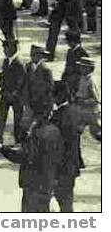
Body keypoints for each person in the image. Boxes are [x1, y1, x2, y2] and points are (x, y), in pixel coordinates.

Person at [0, 109, 63, 212]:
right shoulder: (54, 130)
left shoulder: (36, 134)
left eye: (26, 114)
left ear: (34, 116)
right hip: (48, 182)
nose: (24, 117)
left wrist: (2, 149)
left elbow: (24, 155)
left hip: (34, 184)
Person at [51, 82, 84, 212]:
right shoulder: (74, 111)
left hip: (63, 165)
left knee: (64, 200)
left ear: (57, 97)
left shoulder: (60, 116)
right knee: (66, 199)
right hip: (72, 163)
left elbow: (59, 144)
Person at [0, 40, 28, 147]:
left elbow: (21, 81)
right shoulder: (6, 61)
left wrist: (14, 93)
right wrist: (0, 81)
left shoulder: (19, 63)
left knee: (18, 119)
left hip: (16, 97)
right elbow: (4, 74)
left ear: (12, 49)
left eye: (5, 48)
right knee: (1, 117)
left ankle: (19, 140)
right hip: (5, 94)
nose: (4, 51)